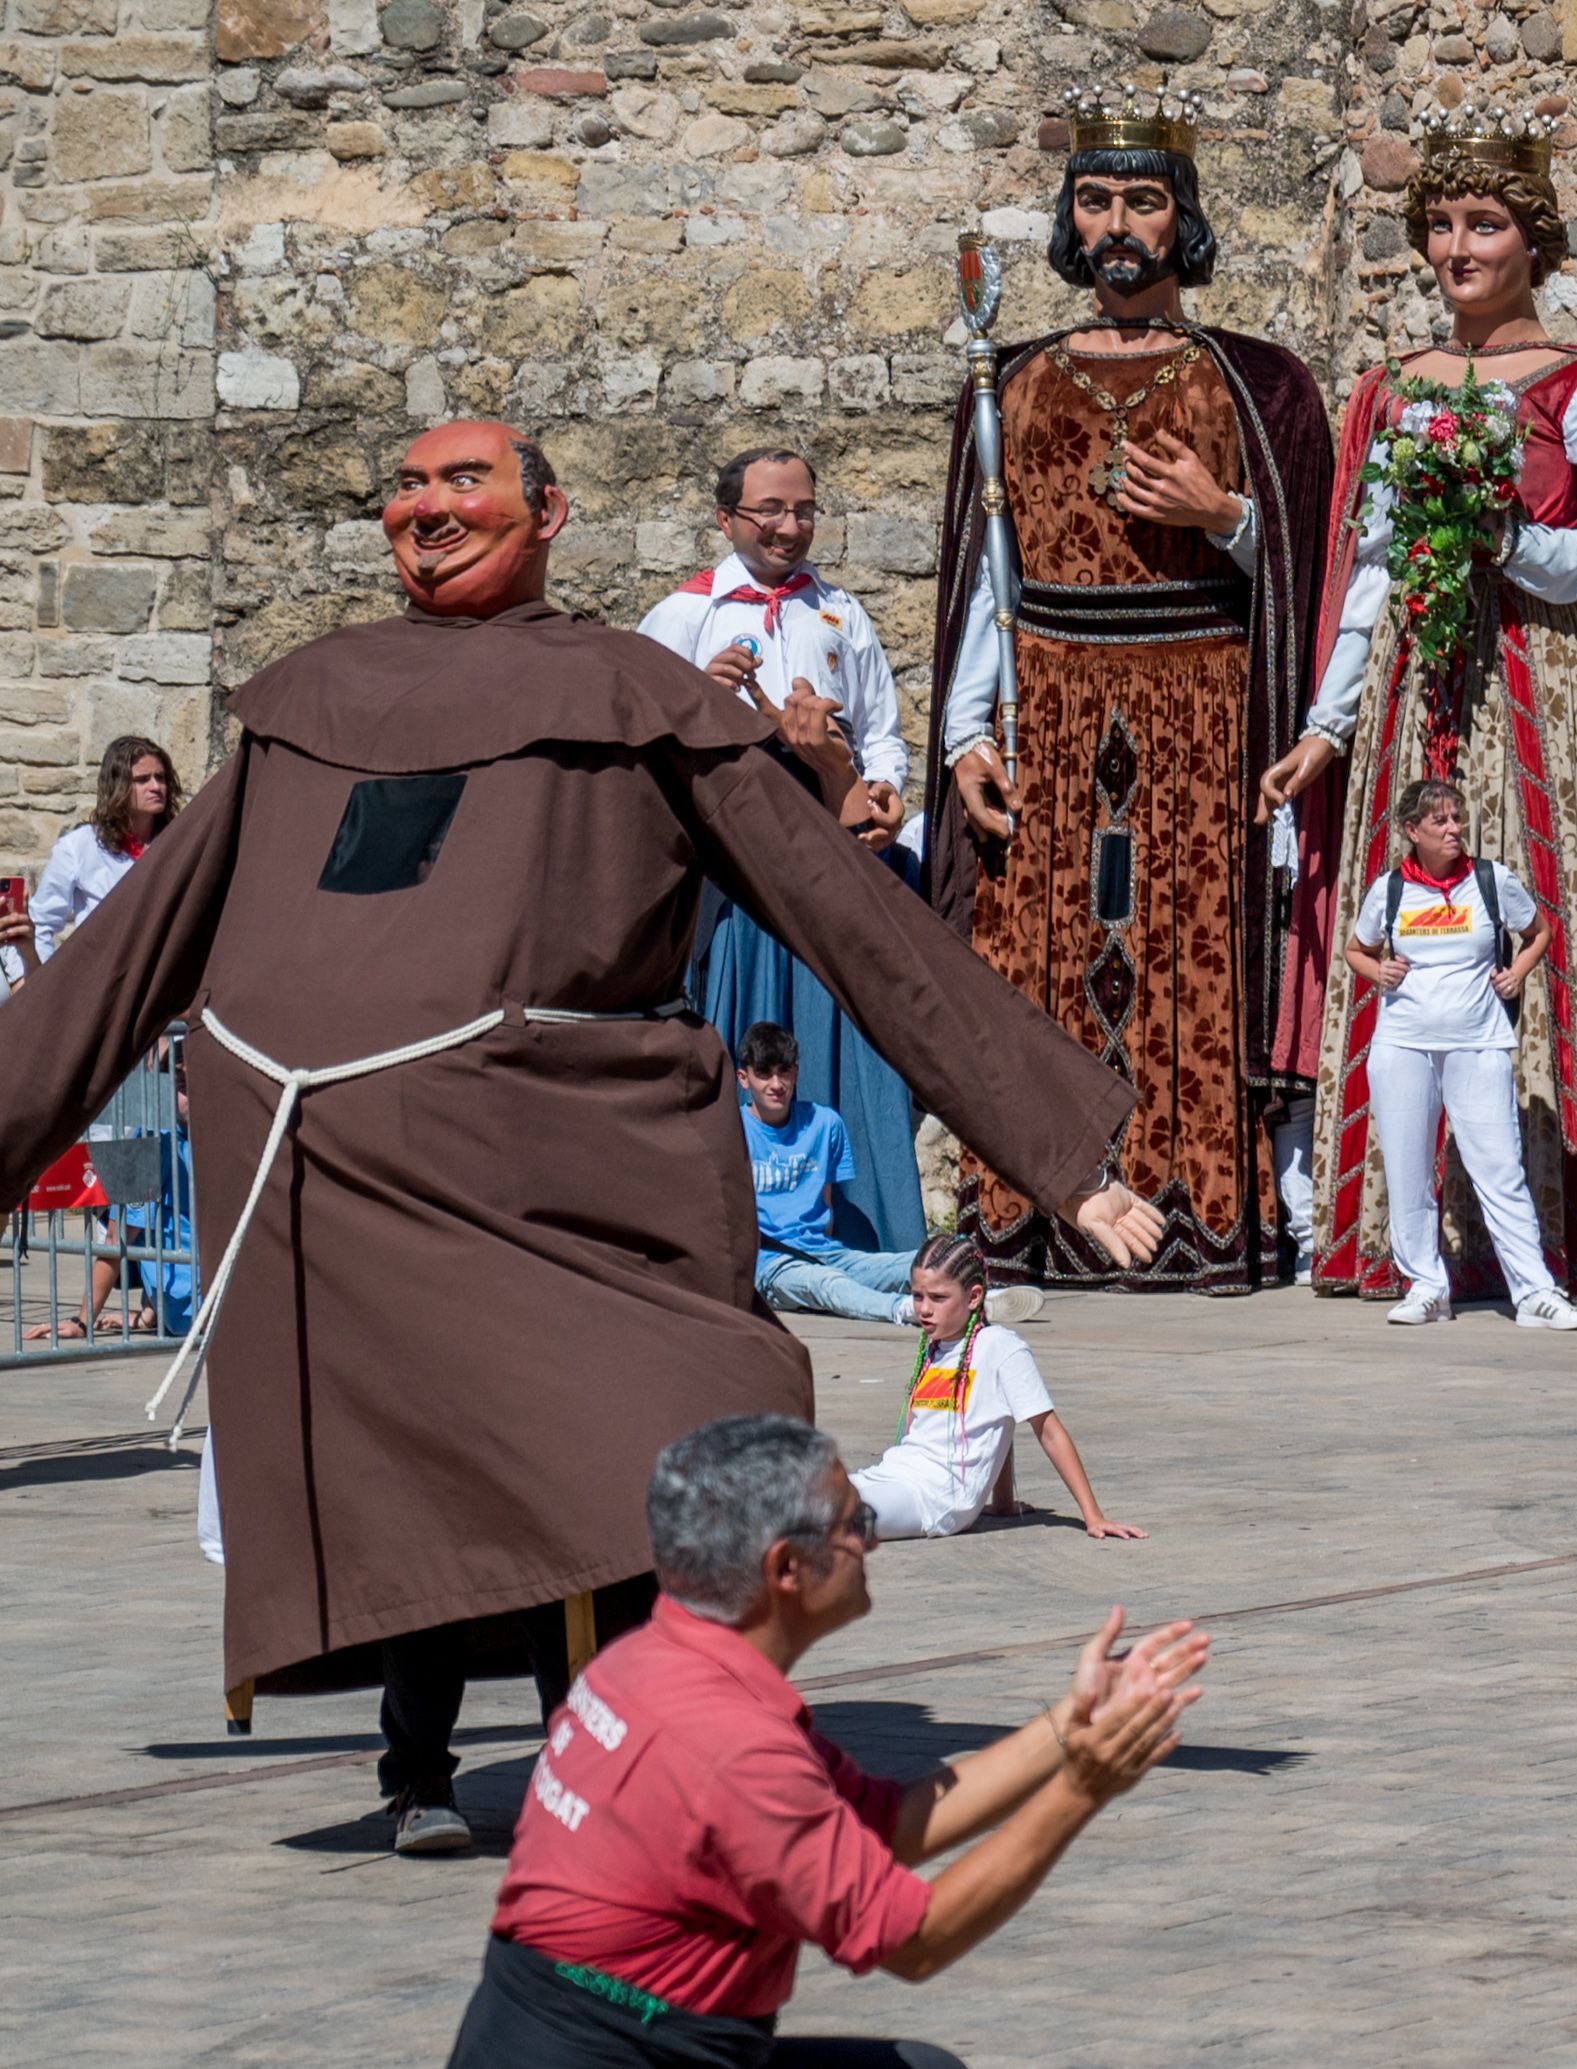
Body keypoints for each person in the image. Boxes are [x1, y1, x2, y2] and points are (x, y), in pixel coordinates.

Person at [0, 418, 1161, 1858]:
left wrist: (1062, 1156)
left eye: (461, 483)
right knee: (415, 1469)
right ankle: (424, 1767)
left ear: (549, 510)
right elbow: (123, 957)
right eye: (406, 488)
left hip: (563, 1176)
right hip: (337, 1183)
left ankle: (602, 1754)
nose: (427, 509)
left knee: (649, 1428)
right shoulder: (314, 700)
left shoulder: (633, 693)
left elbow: (849, 919)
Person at [450, 1414, 1205, 2066]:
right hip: (614, 2047)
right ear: (786, 1567)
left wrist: (1064, 1728)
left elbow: (884, 1827)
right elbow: (915, 1941)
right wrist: (1082, 1788)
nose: (871, 1543)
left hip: (567, 2029)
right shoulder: (730, 1745)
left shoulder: (649, 1663)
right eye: (855, 1523)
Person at [929, 90, 1336, 1298]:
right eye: (1096, 200)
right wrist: (962, 735)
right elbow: (981, 580)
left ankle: (1199, 1212)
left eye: (1143, 202)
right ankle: (1037, 1215)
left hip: (1202, 705)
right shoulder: (1009, 384)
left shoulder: (1258, 385)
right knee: (1037, 966)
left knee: (1189, 964)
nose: (1117, 224)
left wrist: (1226, 517)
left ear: (1183, 221)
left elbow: (1312, 576)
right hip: (1050, 703)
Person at [1263, 105, 1577, 1302]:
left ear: (1532, 242)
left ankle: (1550, 1225)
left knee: (1532, 911)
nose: (1456, 249)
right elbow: (1371, 570)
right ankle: (1408, 1234)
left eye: (1483, 224)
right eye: (1438, 225)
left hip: (1546, 680)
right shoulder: (1396, 388)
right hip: (1418, 688)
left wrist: (1517, 544)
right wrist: (1327, 724)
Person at [642, 446, 925, 1255]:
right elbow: (637, 742)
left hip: (829, 852)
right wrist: (700, 696)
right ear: (726, 517)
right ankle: (727, 1232)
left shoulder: (841, 614)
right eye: (769, 510)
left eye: (802, 509)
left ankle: (860, 1224)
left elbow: (882, 737)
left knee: (847, 1022)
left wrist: (887, 793)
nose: (788, 526)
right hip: (735, 869)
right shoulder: (684, 616)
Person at [1342, 777, 1577, 1329]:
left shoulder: (1491, 880)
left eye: (1458, 818)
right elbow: (1356, 950)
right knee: (1407, 1171)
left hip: (1478, 1041)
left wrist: (1517, 974)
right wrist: (1376, 970)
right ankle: (1426, 1288)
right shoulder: (1391, 890)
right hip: (1403, 1043)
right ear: (1412, 831)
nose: (1455, 829)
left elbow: (1538, 933)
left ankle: (1534, 1293)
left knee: (1498, 1167)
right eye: (1441, 822)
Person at [850, 1236, 1140, 1539]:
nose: (924, 1309)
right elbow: (995, 1417)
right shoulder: (934, 1347)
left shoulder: (1000, 1347)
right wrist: (1002, 1503)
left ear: (974, 1297)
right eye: (917, 1296)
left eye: (938, 1298)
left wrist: (1093, 1517)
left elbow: (1049, 1431)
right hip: (890, 1475)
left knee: (825, 1516)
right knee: (802, 1492)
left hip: (935, 1498)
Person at [737, 1022, 992, 1330]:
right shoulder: (732, 1129)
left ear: (796, 1074)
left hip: (827, 1251)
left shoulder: (824, 1123)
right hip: (771, 1263)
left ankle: (978, 1297)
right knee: (827, 1284)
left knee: (922, 1260)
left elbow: (826, 1205)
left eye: (784, 1072)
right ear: (744, 1078)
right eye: (764, 1074)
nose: (776, 1084)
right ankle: (907, 1310)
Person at [32, 733, 183, 960]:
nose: (156, 787)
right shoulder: (80, 846)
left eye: (160, 778)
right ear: (118, 786)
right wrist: (50, 989)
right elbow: (42, 923)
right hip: (99, 980)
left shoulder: (177, 842)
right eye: (143, 780)